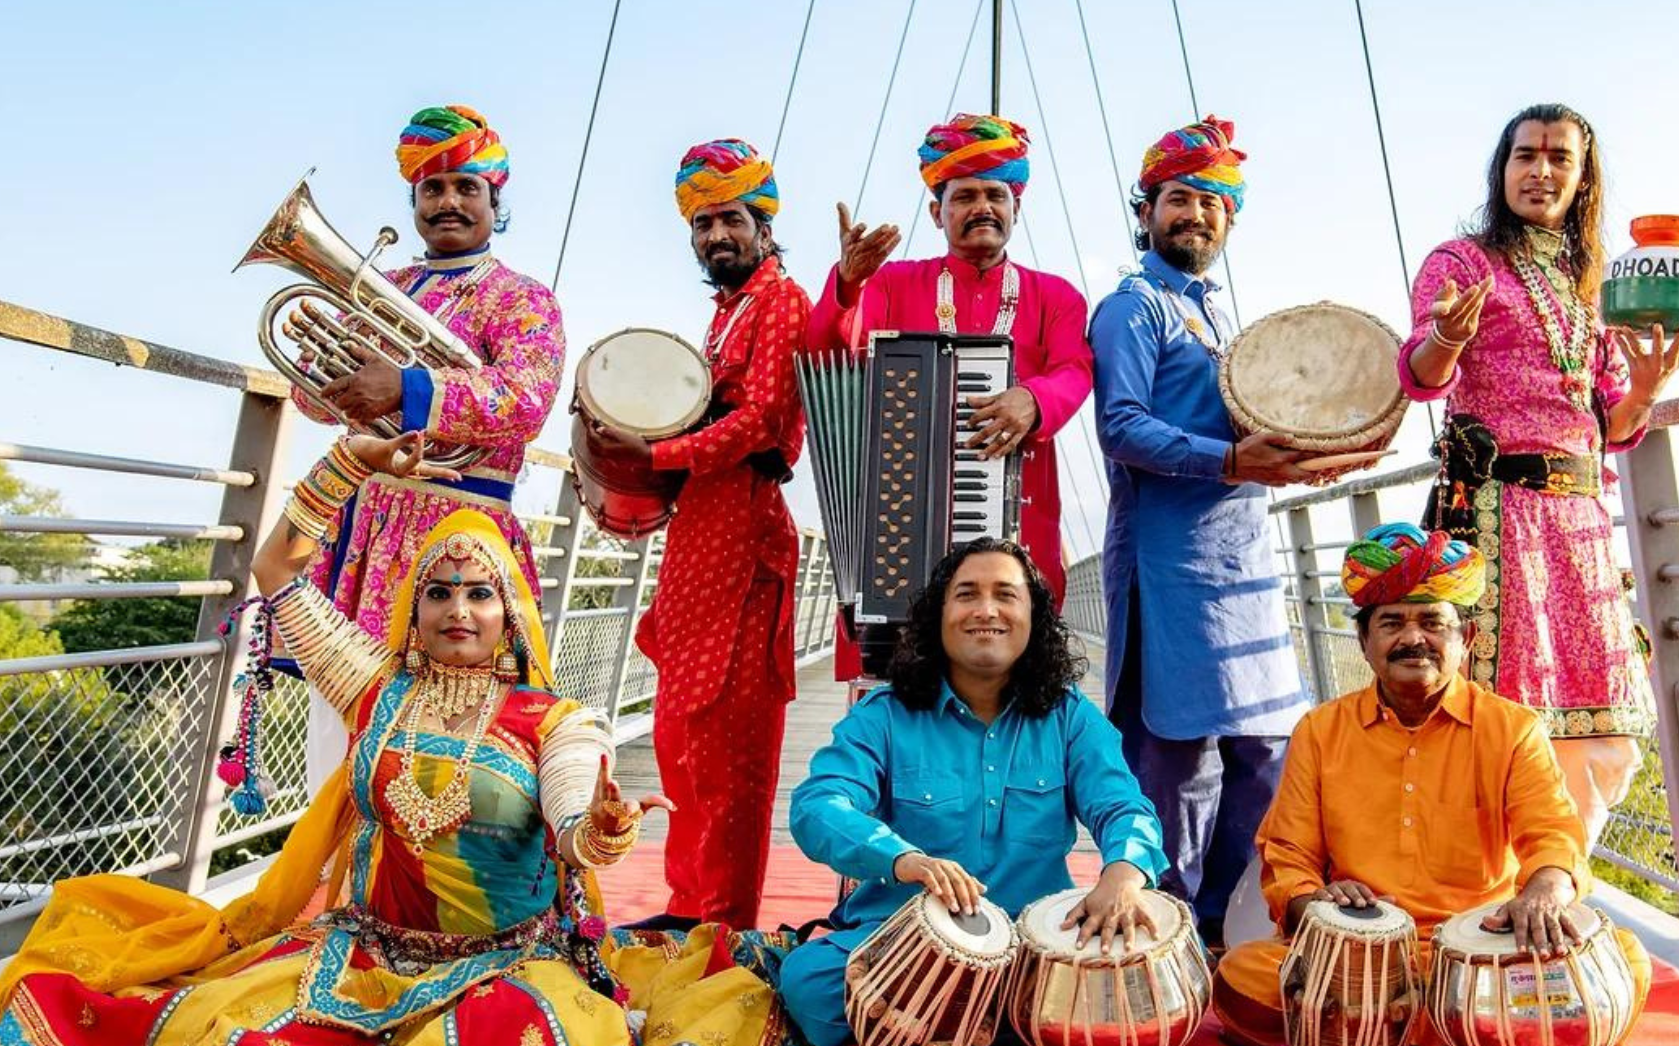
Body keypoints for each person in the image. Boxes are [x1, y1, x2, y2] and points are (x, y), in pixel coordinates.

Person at [0, 433, 827, 1046]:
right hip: (358, 953)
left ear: (511, 614)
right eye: (439, 591)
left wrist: (601, 828)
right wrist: (349, 462)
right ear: (415, 606)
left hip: (503, 967)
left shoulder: (556, 720)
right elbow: (277, 568)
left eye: (480, 593)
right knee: (222, 1039)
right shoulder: (373, 687)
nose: (458, 609)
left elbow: (573, 818)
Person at [1211, 523, 1646, 1046]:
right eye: (1392, 623)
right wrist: (1312, 904)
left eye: (1433, 623)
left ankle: (1379, 1032)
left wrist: (1545, 890)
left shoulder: (1513, 728)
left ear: (1467, 639)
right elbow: (1288, 854)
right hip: (1355, 954)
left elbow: (1553, 833)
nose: (1413, 639)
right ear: (1364, 642)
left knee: (1625, 960)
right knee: (1243, 977)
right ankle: (1462, 1035)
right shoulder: (1320, 731)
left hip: (1483, 952)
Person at [1399, 103, 1679, 846]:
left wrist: (1645, 391)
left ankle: (1561, 874)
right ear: (1501, 170)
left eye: (1560, 157)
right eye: (1525, 155)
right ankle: (1486, 880)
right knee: (1494, 712)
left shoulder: (1594, 284)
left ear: (1583, 177)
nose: (1540, 171)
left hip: (1581, 523)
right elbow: (1421, 376)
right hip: (1494, 515)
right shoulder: (1461, 263)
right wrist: (1446, 338)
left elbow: (1612, 425)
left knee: (1607, 724)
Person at [777, 538, 1168, 1046]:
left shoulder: (1069, 716)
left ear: (1034, 617)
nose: (986, 610)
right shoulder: (885, 714)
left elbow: (1125, 808)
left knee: (1142, 988)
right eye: (966, 595)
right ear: (938, 616)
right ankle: (1006, 1031)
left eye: (1006, 595)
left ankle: (939, 1030)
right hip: (903, 944)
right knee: (808, 980)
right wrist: (903, 859)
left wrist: (1123, 873)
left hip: (1034, 949)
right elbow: (817, 805)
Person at [289, 104, 565, 798]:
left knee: (449, 724)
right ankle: (335, 856)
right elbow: (311, 399)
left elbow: (525, 401)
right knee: (339, 715)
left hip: (460, 532)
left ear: (494, 203)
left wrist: (406, 386)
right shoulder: (385, 288)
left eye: (467, 188)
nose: (448, 202)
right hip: (365, 527)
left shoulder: (525, 299)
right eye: (432, 188)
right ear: (413, 201)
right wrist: (327, 370)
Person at [1090, 115, 1313, 952]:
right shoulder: (1133, 308)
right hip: (1170, 566)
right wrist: (1230, 461)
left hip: (1245, 563)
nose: (1196, 215)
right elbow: (1119, 426)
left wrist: (1311, 452)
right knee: (1176, 764)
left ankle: (1228, 930)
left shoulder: (1218, 318)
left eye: (1213, 203)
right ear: (1146, 211)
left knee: (1265, 753)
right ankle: (1162, 935)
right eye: (1180, 199)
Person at [577, 139, 810, 929]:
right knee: (683, 735)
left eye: (731, 219)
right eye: (703, 224)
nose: (716, 236)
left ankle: (720, 924)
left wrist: (655, 455)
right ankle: (687, 907)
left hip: (743, 531)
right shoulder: (726, 313)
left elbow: (763, 422)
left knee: (729, 747)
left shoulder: (782, 301)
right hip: (699, 533)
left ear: (764, 226)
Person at [806, 113, 1093, 610]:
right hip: (902, 520)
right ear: (938, 213)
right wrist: (848, 286)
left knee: (1014, 645)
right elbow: (828, 364)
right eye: (964, 197)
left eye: (995, 195)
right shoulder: (891, 283)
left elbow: (1076, 369)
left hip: (1020, 515)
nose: (982, 207)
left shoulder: (1056, 296)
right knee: (902, 647)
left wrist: (1034, 399)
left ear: (1016, 208)